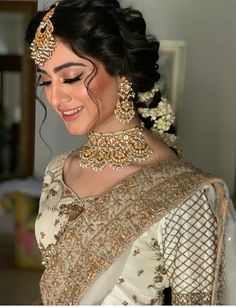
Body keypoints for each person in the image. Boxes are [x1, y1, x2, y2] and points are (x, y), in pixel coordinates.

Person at [26, 0, 236, 305]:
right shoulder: (58, 170)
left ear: (121, 71)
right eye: (45, 79)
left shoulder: (185, 194)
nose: (55, 97)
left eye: (70, 76)